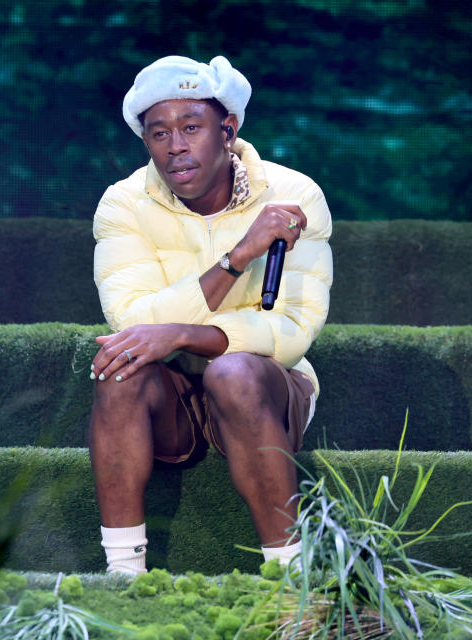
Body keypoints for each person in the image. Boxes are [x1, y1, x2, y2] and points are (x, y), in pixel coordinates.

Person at [89, 55, 333, 575]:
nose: (175, 146)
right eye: (159, 134)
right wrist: (237, 258)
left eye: (191, 127)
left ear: (228, 130)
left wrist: (182, 333)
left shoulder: (294, 195)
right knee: (119, 368)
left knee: (235, 371)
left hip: (264, 388)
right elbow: (132, 322)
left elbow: (293, 332)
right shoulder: (123, 204)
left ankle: (292, 576)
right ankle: (123, 574)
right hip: (171, 400)